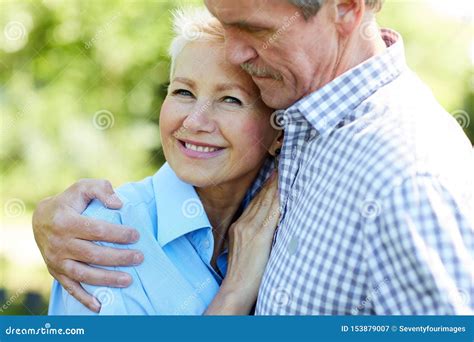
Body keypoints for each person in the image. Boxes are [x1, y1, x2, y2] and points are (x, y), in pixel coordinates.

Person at [35, 0, 474, 315]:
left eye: (257, 29)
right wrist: (49, 218)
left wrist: (234, 296)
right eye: (225, 26)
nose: (236, 51)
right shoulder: (300, 115)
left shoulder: (406, 176)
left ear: (345, 8)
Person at [47, 7, 282, 314]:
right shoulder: (104, 235)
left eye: (230, 99)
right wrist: (237, 289)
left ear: (279, 132)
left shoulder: (278, 224)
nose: (195, 121)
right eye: (183, 92)